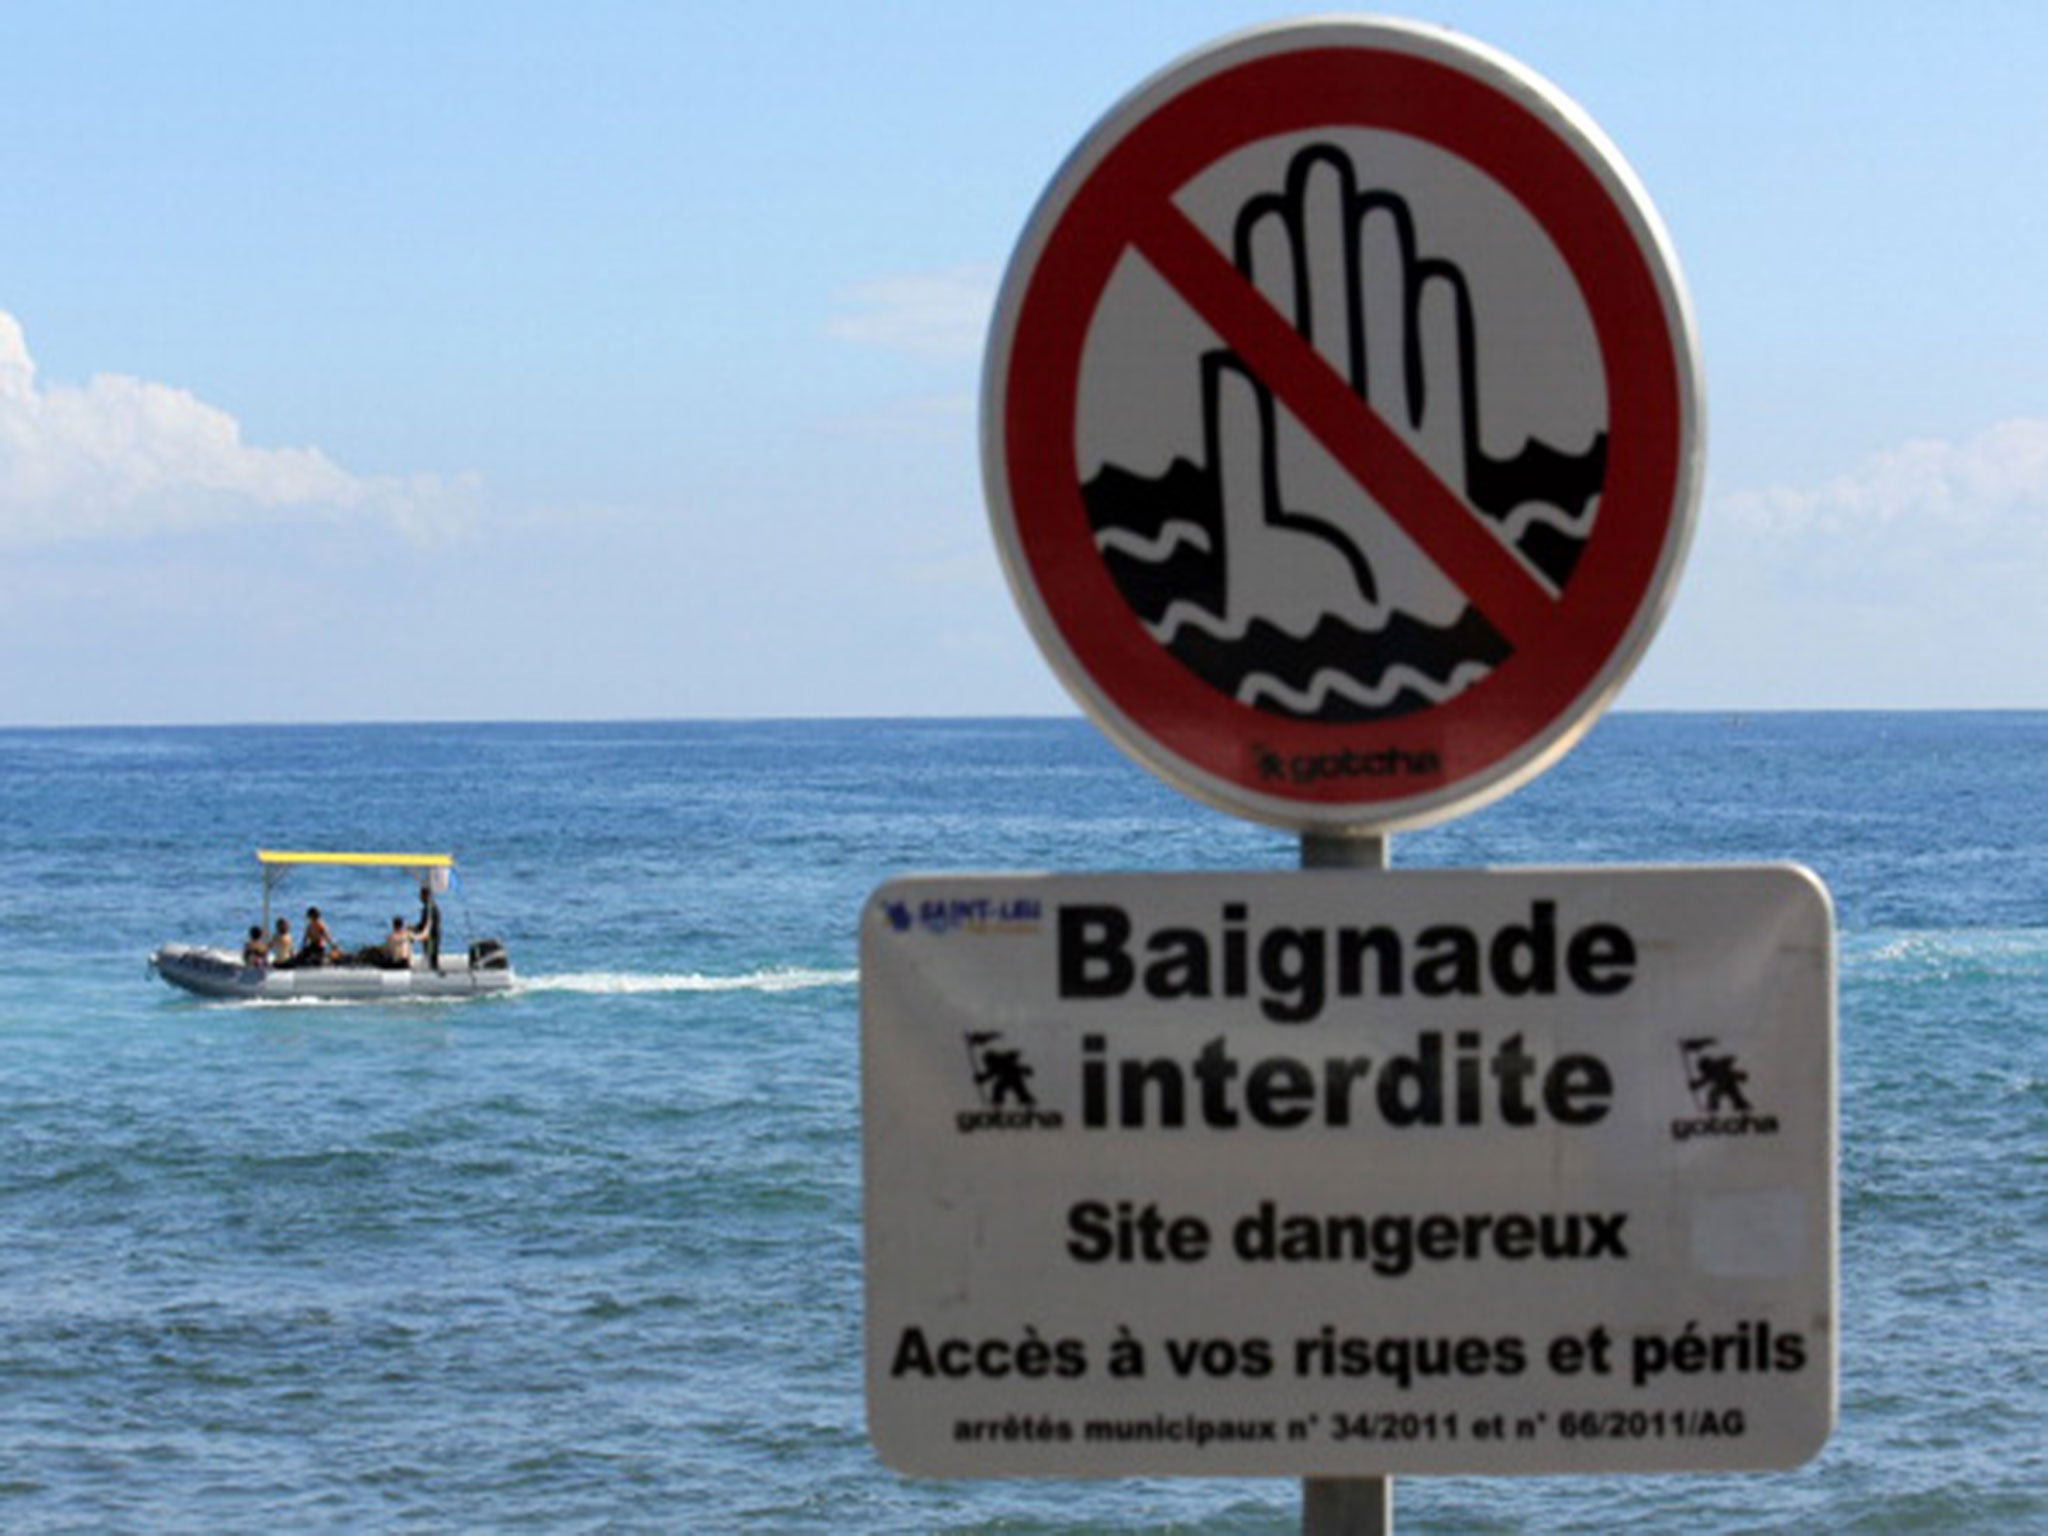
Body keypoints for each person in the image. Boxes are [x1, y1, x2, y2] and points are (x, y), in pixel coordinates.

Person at [415, 883, 442, 971]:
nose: (420, 897)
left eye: (421, 895)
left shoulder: (429, 908)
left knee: (431, 957)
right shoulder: (431, 906)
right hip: (434, 935)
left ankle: (434, 971)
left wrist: (414, 930)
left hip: (431, 937)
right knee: (432, 957)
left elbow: (424, 924)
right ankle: (433, 968)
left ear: (425, 895)